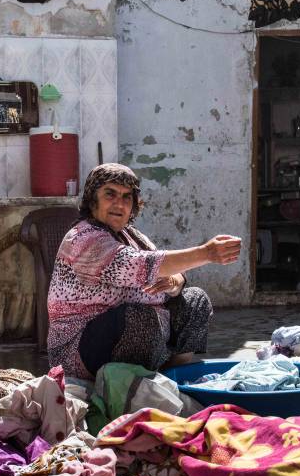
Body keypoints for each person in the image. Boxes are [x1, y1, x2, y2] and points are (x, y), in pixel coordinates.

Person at [47, 163, 242, 380]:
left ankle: (170, 377)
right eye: (110, 194)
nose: (119, 204)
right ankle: (134, 384)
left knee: (195, 300)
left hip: (143, 339)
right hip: (79, 352)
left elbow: (167, 267)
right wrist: (206, 253)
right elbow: (140, 264)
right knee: (140, 317)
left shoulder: (132, 235)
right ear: (93, 200)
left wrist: (175, 282)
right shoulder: (83, 238)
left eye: (126, 197)